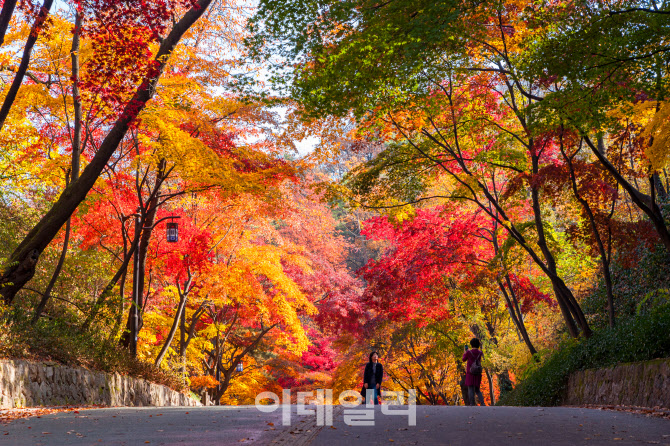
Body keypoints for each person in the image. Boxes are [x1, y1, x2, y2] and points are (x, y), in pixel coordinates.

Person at [462, 338, 485, 406]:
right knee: (477, 389)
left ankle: (472, 403)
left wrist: (465, 352)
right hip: (477, 372)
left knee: (470, 388)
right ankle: (483, 403)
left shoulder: (469, 352)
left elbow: (463, 359)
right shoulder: (480, 353)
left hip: (470, 373)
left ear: (471, 345)